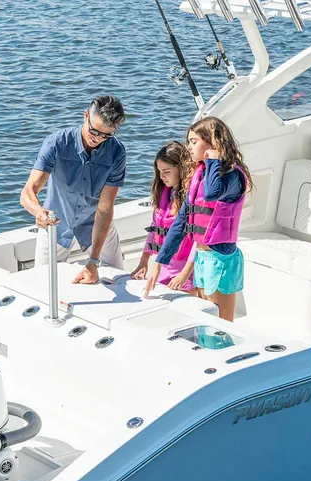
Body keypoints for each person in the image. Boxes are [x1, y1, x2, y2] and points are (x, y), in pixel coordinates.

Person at [143, 117, 253, 322]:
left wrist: (213, 160)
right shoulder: (199, 176)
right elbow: (181, 222)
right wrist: (159, 262)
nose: (189, 147)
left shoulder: (231, 177)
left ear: (212, 143)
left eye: (194, 142)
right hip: (202, 257)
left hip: (221, 259)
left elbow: (211, 194)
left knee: (220, 322)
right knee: (204, 319)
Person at [20, 95, 127, 285]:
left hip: (96, 223)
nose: (98, 138)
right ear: (85, 116)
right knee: (42, 284)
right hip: (55, 225)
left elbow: (105, 209)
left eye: (106, 135)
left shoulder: (117, 152)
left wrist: (93, 261)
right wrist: (38, 212)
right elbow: (28, 191)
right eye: (94, 131)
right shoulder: (56, 143)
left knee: (117, 279)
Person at [131, 141, 197, 294]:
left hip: (186, 270)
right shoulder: (164, 195)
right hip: (164, 266)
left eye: (166, 171)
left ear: (181, 168)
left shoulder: (192, 198)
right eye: (159, 171)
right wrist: (144, 261)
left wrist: (185, 273)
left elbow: (198, 241)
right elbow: (155, 228)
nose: (161, 177)